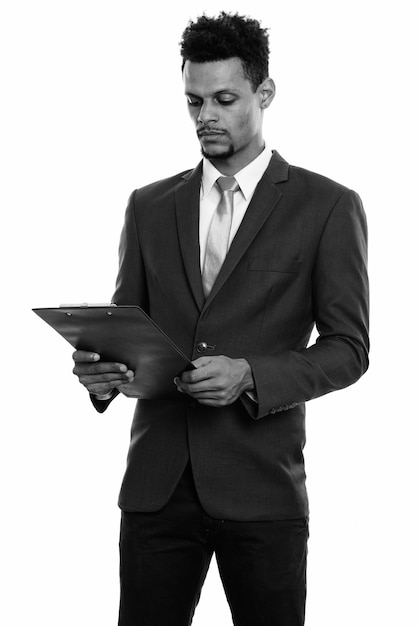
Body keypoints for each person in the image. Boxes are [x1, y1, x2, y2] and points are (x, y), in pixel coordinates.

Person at [72, 11, 369, 626]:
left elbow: (349, 347)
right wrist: (101, 370)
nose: (205, 115)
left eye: (224, 99)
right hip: (157, 490)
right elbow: (128, 324)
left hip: (262, 488)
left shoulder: (329, 206)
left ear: (264, 94)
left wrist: (251, 374)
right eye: (193, 101)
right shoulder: (148, 205)